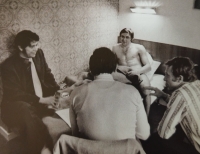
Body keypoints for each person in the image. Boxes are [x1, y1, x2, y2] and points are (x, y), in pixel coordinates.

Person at [1, 30, 69, 154]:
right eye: (32, 46)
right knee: (27, 110)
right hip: (18, 104)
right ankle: (42, 148)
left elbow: (47, 74)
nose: (36, 49)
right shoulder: (8, 66)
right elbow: (15, 94)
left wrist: (57, 91)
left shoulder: (39, 54)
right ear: (20, 47)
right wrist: (42, 100)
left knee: (67, 98)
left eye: (37, 44)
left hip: (39, 98)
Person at [69, 47, 150, 141]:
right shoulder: (132, 92)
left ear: (91, 68)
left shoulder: (75, 93)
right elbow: (144, 135)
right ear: (115, 67)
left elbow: (75, 134)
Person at [144, 57, 200, 154]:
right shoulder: (197, 83)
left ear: (179, 78)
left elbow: (164, 133)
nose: (164, 78)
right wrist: (164, 95)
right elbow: (185, 104)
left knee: (153, 140)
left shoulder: (180, 95)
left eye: (167, 75)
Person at [112, 28, 151, 115]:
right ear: (120, 37)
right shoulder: (115, 48)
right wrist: (120, 68)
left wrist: (137, 71)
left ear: (131, 38)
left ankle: (147, 117)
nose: (124, 39)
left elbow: (148, 66)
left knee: (146, 90)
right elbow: (112, 65)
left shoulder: (139, 48)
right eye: (122, 37)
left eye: (127, 37)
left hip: (138, 72)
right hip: (123, 74)